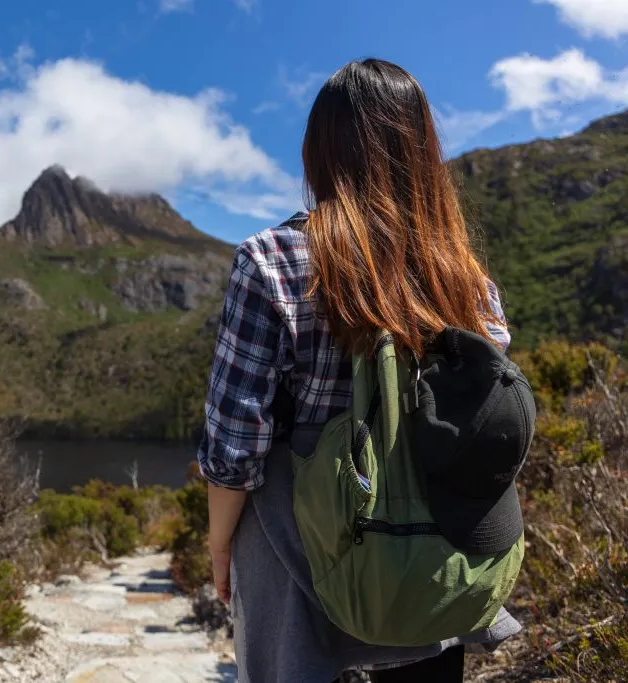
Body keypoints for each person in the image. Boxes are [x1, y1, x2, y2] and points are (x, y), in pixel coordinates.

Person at [197, 58, 522, 683]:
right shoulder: (469, 286)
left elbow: (235, 444)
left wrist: (219, 551)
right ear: (424, 152)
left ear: (317, 152)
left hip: (296, 554)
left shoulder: (270, 263)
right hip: (430, 559)